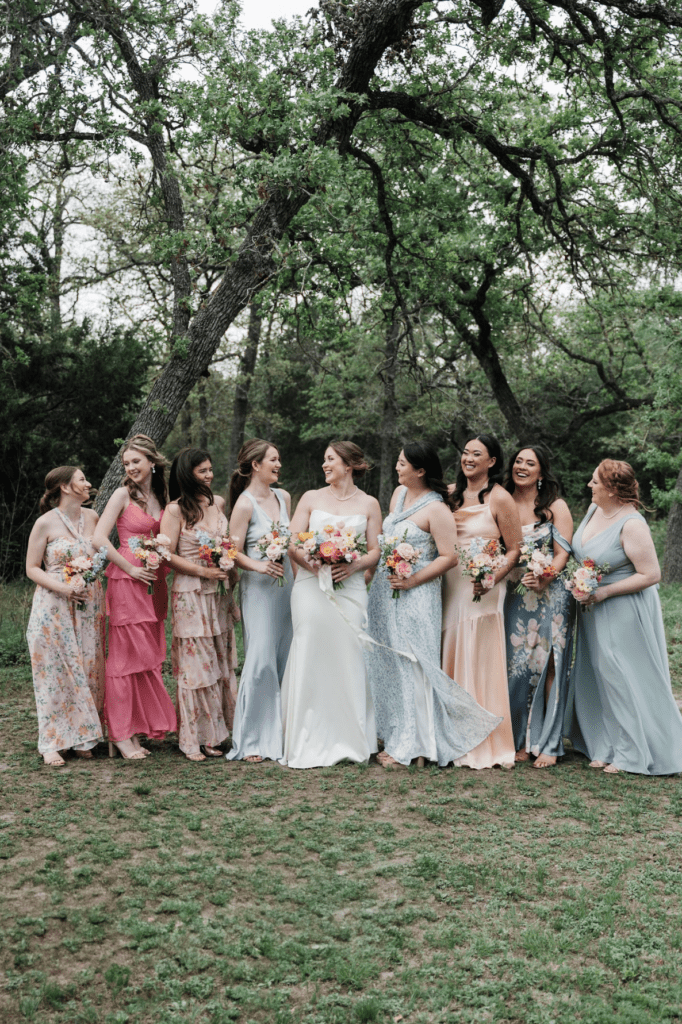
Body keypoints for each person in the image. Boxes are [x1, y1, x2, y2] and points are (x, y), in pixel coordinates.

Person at [366, 442, 502, 768]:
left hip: (418, 594)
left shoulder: (437, 509)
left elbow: (449, 556)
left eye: (402, 463)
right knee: (391, 663)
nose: (397, 468)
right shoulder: (398, 496)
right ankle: (398, 733)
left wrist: (412, 580)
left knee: (415, 663)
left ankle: (417, 747)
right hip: (386, 591)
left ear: (421, 470)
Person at [566, 459, 682, 775]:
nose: (589, 486)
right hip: (591, 605)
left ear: (612, 489)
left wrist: (602, 592)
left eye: (594, 482)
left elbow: (652, 574)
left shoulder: (632, 524)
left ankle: (632, 752)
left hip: (622, 607)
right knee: (599, 672)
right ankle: (604, 744)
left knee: (621, 675)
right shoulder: (594, 511)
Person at [280, 441, 381, 769]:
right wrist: (309, 561)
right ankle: (305, 738)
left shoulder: (369, 503)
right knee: (310, 650)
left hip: (350, 588)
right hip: (311, 586)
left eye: (331, 460)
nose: (325, 465)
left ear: (349, 465)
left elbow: (375, 550)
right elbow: (293, 540)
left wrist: (353, 566)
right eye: (324, 460)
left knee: (348, 654)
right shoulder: (310, 498)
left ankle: (352, 739)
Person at [93, 435, 176, 760]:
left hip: (153, 582)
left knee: (144, 657)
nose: (131, 468)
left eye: (136, 461)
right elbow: (99, 537)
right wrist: (129, 568)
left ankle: (134, 729)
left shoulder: (162, 495)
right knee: (124, 659)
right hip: (127, 581)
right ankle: (120, 733)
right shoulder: (121, 494)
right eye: (127, 463)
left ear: (152, 462)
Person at [442, 434, 522, 769]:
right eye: (465, 452)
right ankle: (449, 733)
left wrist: (492, 577)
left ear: (491, 462)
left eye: (477, 454)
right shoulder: (448, 494)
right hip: (449, 584)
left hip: (483, 588)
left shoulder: (501, 499)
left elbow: (514, 549)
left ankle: (483, 740)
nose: (468, 458)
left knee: (478, 652)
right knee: (450, 645)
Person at [161, 448, 239, 762]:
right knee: (196, 667)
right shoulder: (175, 510)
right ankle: (193, 738)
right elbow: (166, 554)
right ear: (186, 473)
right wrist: (203, 570)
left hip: (218, 594)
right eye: (202, 471)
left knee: (218, 663)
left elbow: (229, 544)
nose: (209, 475)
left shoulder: (217, 503)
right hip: (190, 593)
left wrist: (227, 568)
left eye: (210, 469)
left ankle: (217, 735)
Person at [26, 467, 105, 766]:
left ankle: (81, 737)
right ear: (64, 486)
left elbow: (101, 555)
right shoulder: (44, 523)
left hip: (88, 603)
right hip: (54, 604)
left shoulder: (93, 518)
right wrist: (64, 588)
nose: (88, 483)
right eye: (83, 479)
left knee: (85, 666)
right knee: (53, 672)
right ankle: (51, 742)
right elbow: (32, 568)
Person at [503, 446, 574, 768]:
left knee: (549, 666)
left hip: (551, 594)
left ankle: (548, 742)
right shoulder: (501, 499)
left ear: (541, 472)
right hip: (515, 594)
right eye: (518, 461)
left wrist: (546, 577)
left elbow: (562, 552)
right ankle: (520, 739)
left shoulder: (555, 506)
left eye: (530, 463)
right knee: (517, 666)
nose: (522, 466)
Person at [226, 439, 293, 763]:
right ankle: (252, 738)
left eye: (279, 460)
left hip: (287, 586)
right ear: (256, 465)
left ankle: (281, 733)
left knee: (285, 656)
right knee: (261, 656)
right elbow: (232, 551)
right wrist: (258, 564)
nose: (279, 465)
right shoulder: (244, 504)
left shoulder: (284, 497)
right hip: (259, 589)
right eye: (273, 460)